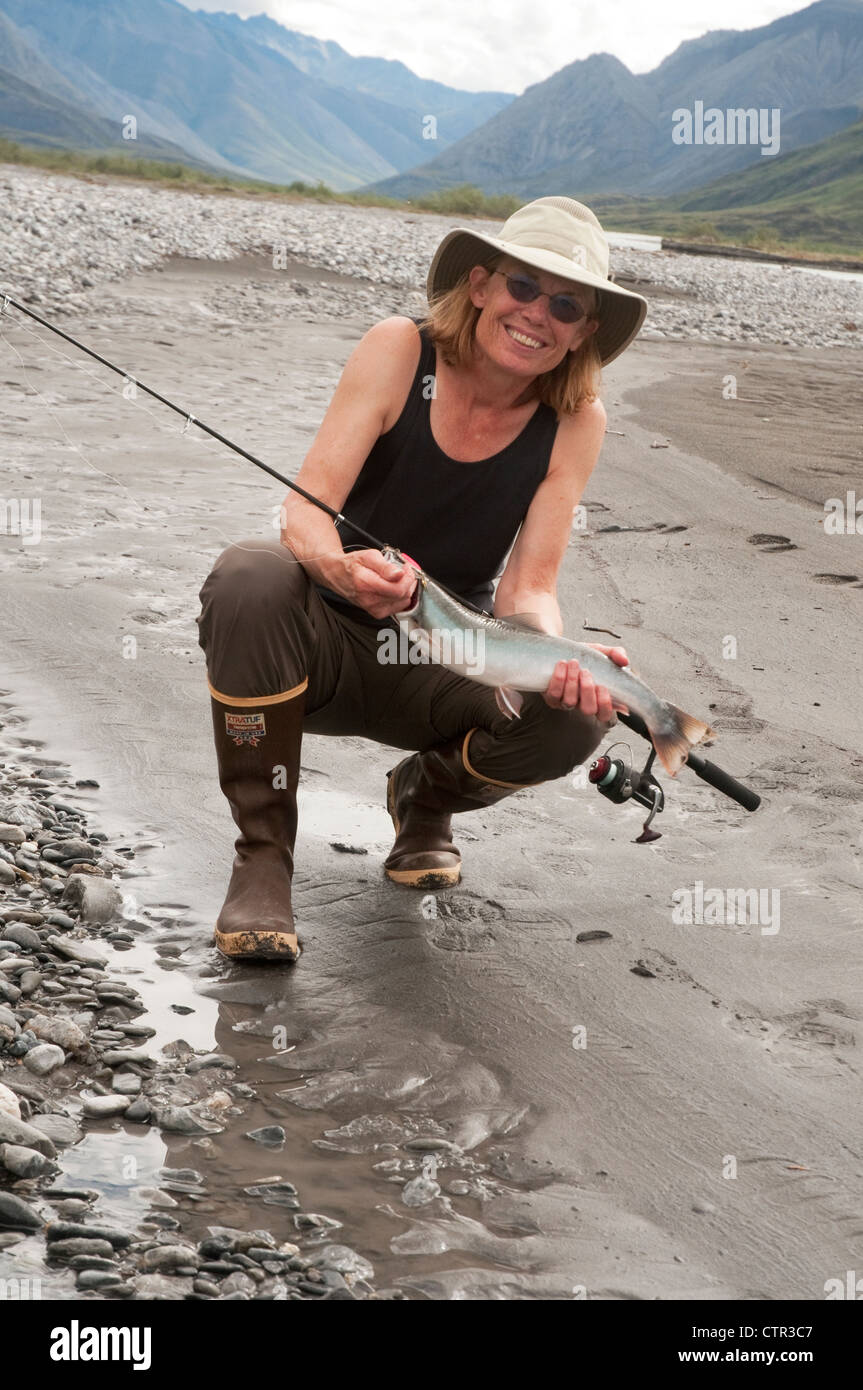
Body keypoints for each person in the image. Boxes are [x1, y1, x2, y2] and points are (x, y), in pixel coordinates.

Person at [195, 195, 648, 963]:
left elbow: (526, 591)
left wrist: (557, 660)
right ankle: (263, 857)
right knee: (249, 574)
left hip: (441, 663)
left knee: (576, 718)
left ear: (584, 329)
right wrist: (337, 568)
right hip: (322, 643)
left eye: (565, 303)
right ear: (478, 285)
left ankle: (424, 800)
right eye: (523, 288)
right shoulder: (398, 349)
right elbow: (303, 513)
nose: (538, 314)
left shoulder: (577, 419)